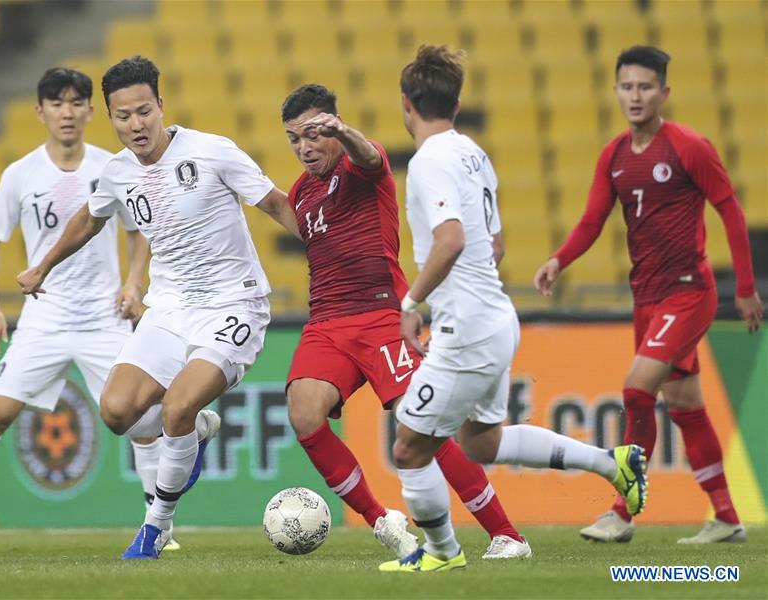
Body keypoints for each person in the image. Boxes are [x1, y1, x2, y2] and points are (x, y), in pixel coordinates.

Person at [379, 45, 650, 573]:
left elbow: (451, 239)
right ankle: (611, 463)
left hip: (471, 327)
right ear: (455, 106)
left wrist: (413, 302)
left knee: (409, 447)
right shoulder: (473, 154)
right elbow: (495, 245)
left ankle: (440, 554)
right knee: (481, 441)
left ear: (406, 105)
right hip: (496, 316)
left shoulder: (430, 161)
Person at [17, 56, 300, 560]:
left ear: (161, 107)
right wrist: (43, 267)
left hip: (233, 304)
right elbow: (89, 218)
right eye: (123, 116)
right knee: (116, 411)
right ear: (111, 118)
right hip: (169, 309)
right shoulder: (118, 172)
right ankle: (197, 430)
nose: (136, 124)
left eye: (144, 111)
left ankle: (155, 526)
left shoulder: (212, 152)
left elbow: (277, 203)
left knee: (176, 407)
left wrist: (331, 258)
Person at [0, 67, 162, 549]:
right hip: (44, 317)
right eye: (57, 103)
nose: (67, 111)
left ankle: (159, 530)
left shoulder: (112, 168)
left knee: (140, 422)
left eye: (76, 102)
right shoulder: (20, 174)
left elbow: (137, 227)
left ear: (89, 111)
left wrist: (132, 282)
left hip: (103, 317)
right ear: (40, 112)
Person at [281, 84, 530, 560]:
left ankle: (506, 533)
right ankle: (384, 522)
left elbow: (370, 156)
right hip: (327, 322)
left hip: (381, 315)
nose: (305, 147)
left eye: (314, 134)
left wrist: (346, 133)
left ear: (334, 124)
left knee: (424, 428)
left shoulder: (362, 162)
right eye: (295, 139)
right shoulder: (301, 192)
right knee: (304, 414)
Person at [534, 46, 763, 545]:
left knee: (638, 390)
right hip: (647, 298)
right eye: (627, 87)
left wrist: (745, 288)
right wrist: (558, 259)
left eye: (645, 87)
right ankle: (726, 516)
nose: (635, 96)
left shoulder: (687, 147)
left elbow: (731, 212)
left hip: (688, 291)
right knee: (683, 403)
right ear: (616, 90)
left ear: (664, 92)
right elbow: (593, 221)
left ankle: (621, 510)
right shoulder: (613, 156)